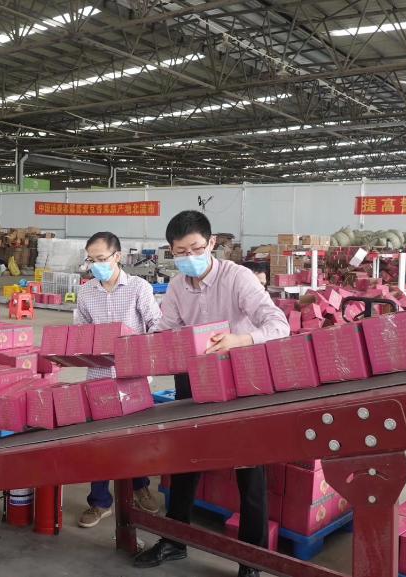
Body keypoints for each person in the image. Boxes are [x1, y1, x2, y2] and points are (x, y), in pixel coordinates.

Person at [133, 211, 289, 577]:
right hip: (193, 379)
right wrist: (141, 349)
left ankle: (251, 560)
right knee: (185, 462)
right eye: (181, 252)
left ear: (212, 243)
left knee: (249, 471)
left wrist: (240, 339)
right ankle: (175, 540)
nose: (189, 257)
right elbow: (166, 330)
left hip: (240, 377)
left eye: (196, 249)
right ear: (171, 251)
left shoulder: (237, 278)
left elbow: (278, 324)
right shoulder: (176, 286)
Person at [74, 232, 163, 528]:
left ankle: (139, 487)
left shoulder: (139, 288)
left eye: (101, 259)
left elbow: (156, 324)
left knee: (134, 438)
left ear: (117, 256)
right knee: (99, 440)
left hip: (133, 376)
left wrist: (137, 348)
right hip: (98, 376)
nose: (96, 265)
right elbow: (80, 331)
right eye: (91, 260)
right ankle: (100, 502)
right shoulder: (86, 292)